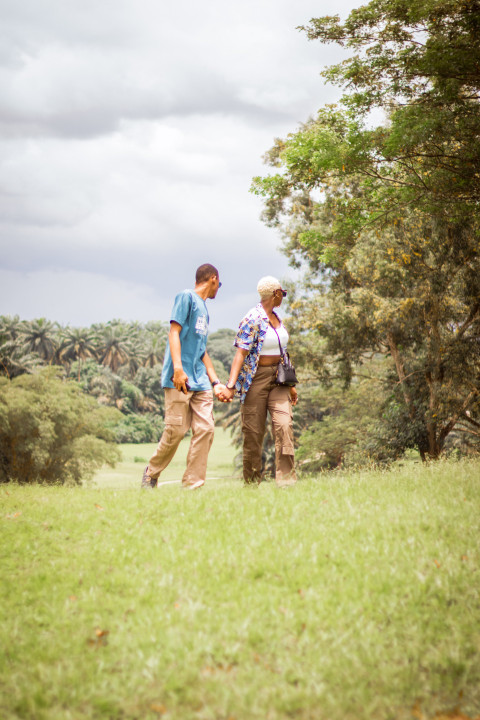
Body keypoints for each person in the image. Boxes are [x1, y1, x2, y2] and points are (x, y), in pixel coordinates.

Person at [141, 264, 226, 490]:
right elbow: (174, 332)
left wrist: (216, 382)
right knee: (176, 431)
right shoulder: (186, 297)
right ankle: (151, 473)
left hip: (201, 381)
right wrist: (178, 369)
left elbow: (202, 350)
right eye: (219, 283)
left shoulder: (205, 310)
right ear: (213, 279)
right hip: (180, 379)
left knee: (206, 429)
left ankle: (192, 485)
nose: (219, 288)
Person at [219, 276, 298, 487]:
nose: (283, 297)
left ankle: (287, 482)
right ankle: (252, 484)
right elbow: (240, 354)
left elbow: (284, 352)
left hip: (279, 379)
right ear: (275, 294)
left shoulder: (277, 318)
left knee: (284, 426)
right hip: (256, 380)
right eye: (282, 293)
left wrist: (291, 386)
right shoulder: (252, 319)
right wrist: (230, 386)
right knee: (253, 434)